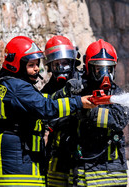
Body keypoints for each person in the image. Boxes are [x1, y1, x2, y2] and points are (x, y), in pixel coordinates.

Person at [0, 36, 95, 186]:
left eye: (37, 64)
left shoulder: (9, 83)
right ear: (17, 65)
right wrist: (79, 102)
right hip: (18, 161)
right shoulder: (18, 87)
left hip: (20, 156)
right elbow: (46, 108)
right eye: (31, 65)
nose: (36, 69)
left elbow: (40, 104)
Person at [67, 39, 128, 186]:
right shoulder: (79, 90)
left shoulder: (117, 94)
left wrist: (89, 111)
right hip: (81, 169)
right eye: (99, 69)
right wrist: (67, 91)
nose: (104, 75)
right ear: (88, 68)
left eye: (108, 69)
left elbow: (119, 120)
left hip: (111, 170)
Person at [41, 35, 84, 186]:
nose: (60, 68)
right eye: (56, 64)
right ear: (50, 66)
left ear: (73, 62)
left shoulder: (85, 80)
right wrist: (63, 93)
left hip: (85, 152)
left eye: (64, 63)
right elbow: (45, 114)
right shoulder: (47, 90)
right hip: (58, 153)